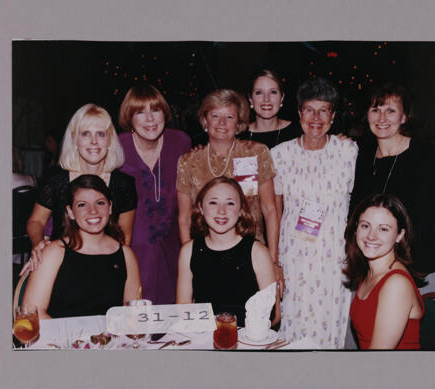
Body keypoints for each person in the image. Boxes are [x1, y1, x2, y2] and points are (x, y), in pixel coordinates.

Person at [270, 77, 358, 348]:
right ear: (298, 113)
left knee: (331, 329)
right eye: (309, 109)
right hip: (294, 257)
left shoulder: (348, 151)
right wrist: (275, 262)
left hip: (335, 259)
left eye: (324, 110)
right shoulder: (279, 155)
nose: (316, 117)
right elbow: (273, 210)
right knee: (294, 326)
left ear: (333, 115)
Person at [176, 89, 283, 295]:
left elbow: (270, 210)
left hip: (252, 254)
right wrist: (192, 262)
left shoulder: (257, 153)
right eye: (215, 115)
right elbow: (184, 218)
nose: (222, 122)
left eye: (229, 116)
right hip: (207, 254)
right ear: (205, 120)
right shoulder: (189, 161)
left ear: (239, 123)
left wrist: (273, 261)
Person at [349, 82, 435, 293]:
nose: (382, 118)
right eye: (375, 110)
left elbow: (431, 219)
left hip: (418, 267)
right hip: (375, 264)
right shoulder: (363, 156)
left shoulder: (423, 155)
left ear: (404, 117)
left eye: (391, 111)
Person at [22, 104, 137, 275]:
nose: (93, 141)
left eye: (101, 134)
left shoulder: (124, 184)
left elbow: (124, 239)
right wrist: (39, 244)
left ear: (110, 141)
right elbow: (36, 222)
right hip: (60, 264)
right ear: (75, 140)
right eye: (85, 134)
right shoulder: (56, 180)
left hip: (106, 267)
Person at [22, 175, 141, 319]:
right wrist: (70, 341)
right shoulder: (54, 252)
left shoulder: (126, 254)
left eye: (100, 203)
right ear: (71, 212)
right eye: (82, 205)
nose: (93, 211)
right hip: (59, 339)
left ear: (110, 208)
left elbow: (134, 314)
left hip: (111, 340)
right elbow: (32, 312)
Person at [118, 84, 191, 304]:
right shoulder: (117, 147)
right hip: (131, 250)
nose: (150, 119)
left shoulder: (180, 142)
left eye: (155, 110)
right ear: (129, 118)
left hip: (173, 249)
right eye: (140, 112)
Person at [176, 177, 276, 326]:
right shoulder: (188, 251)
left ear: (241, 210)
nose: (221, 211)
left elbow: (273, 316)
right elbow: (183, 311)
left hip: (247, 340)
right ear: (201, 208)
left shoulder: (258, 252)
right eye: (213, 202)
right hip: (205, 339)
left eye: (230, 203)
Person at [344, 193, 424, 349]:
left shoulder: (396, 284)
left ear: (399, 235)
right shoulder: (371, 271)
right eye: (365, 226)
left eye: (383, 229)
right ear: (356, 228)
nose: (371, 236)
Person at [237, 68, 302, 148]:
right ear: (251, 99)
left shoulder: (298, 133)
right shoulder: (238, 136)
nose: (266, 99)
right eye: (259, 92)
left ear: (282, 98)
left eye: (273, 92)